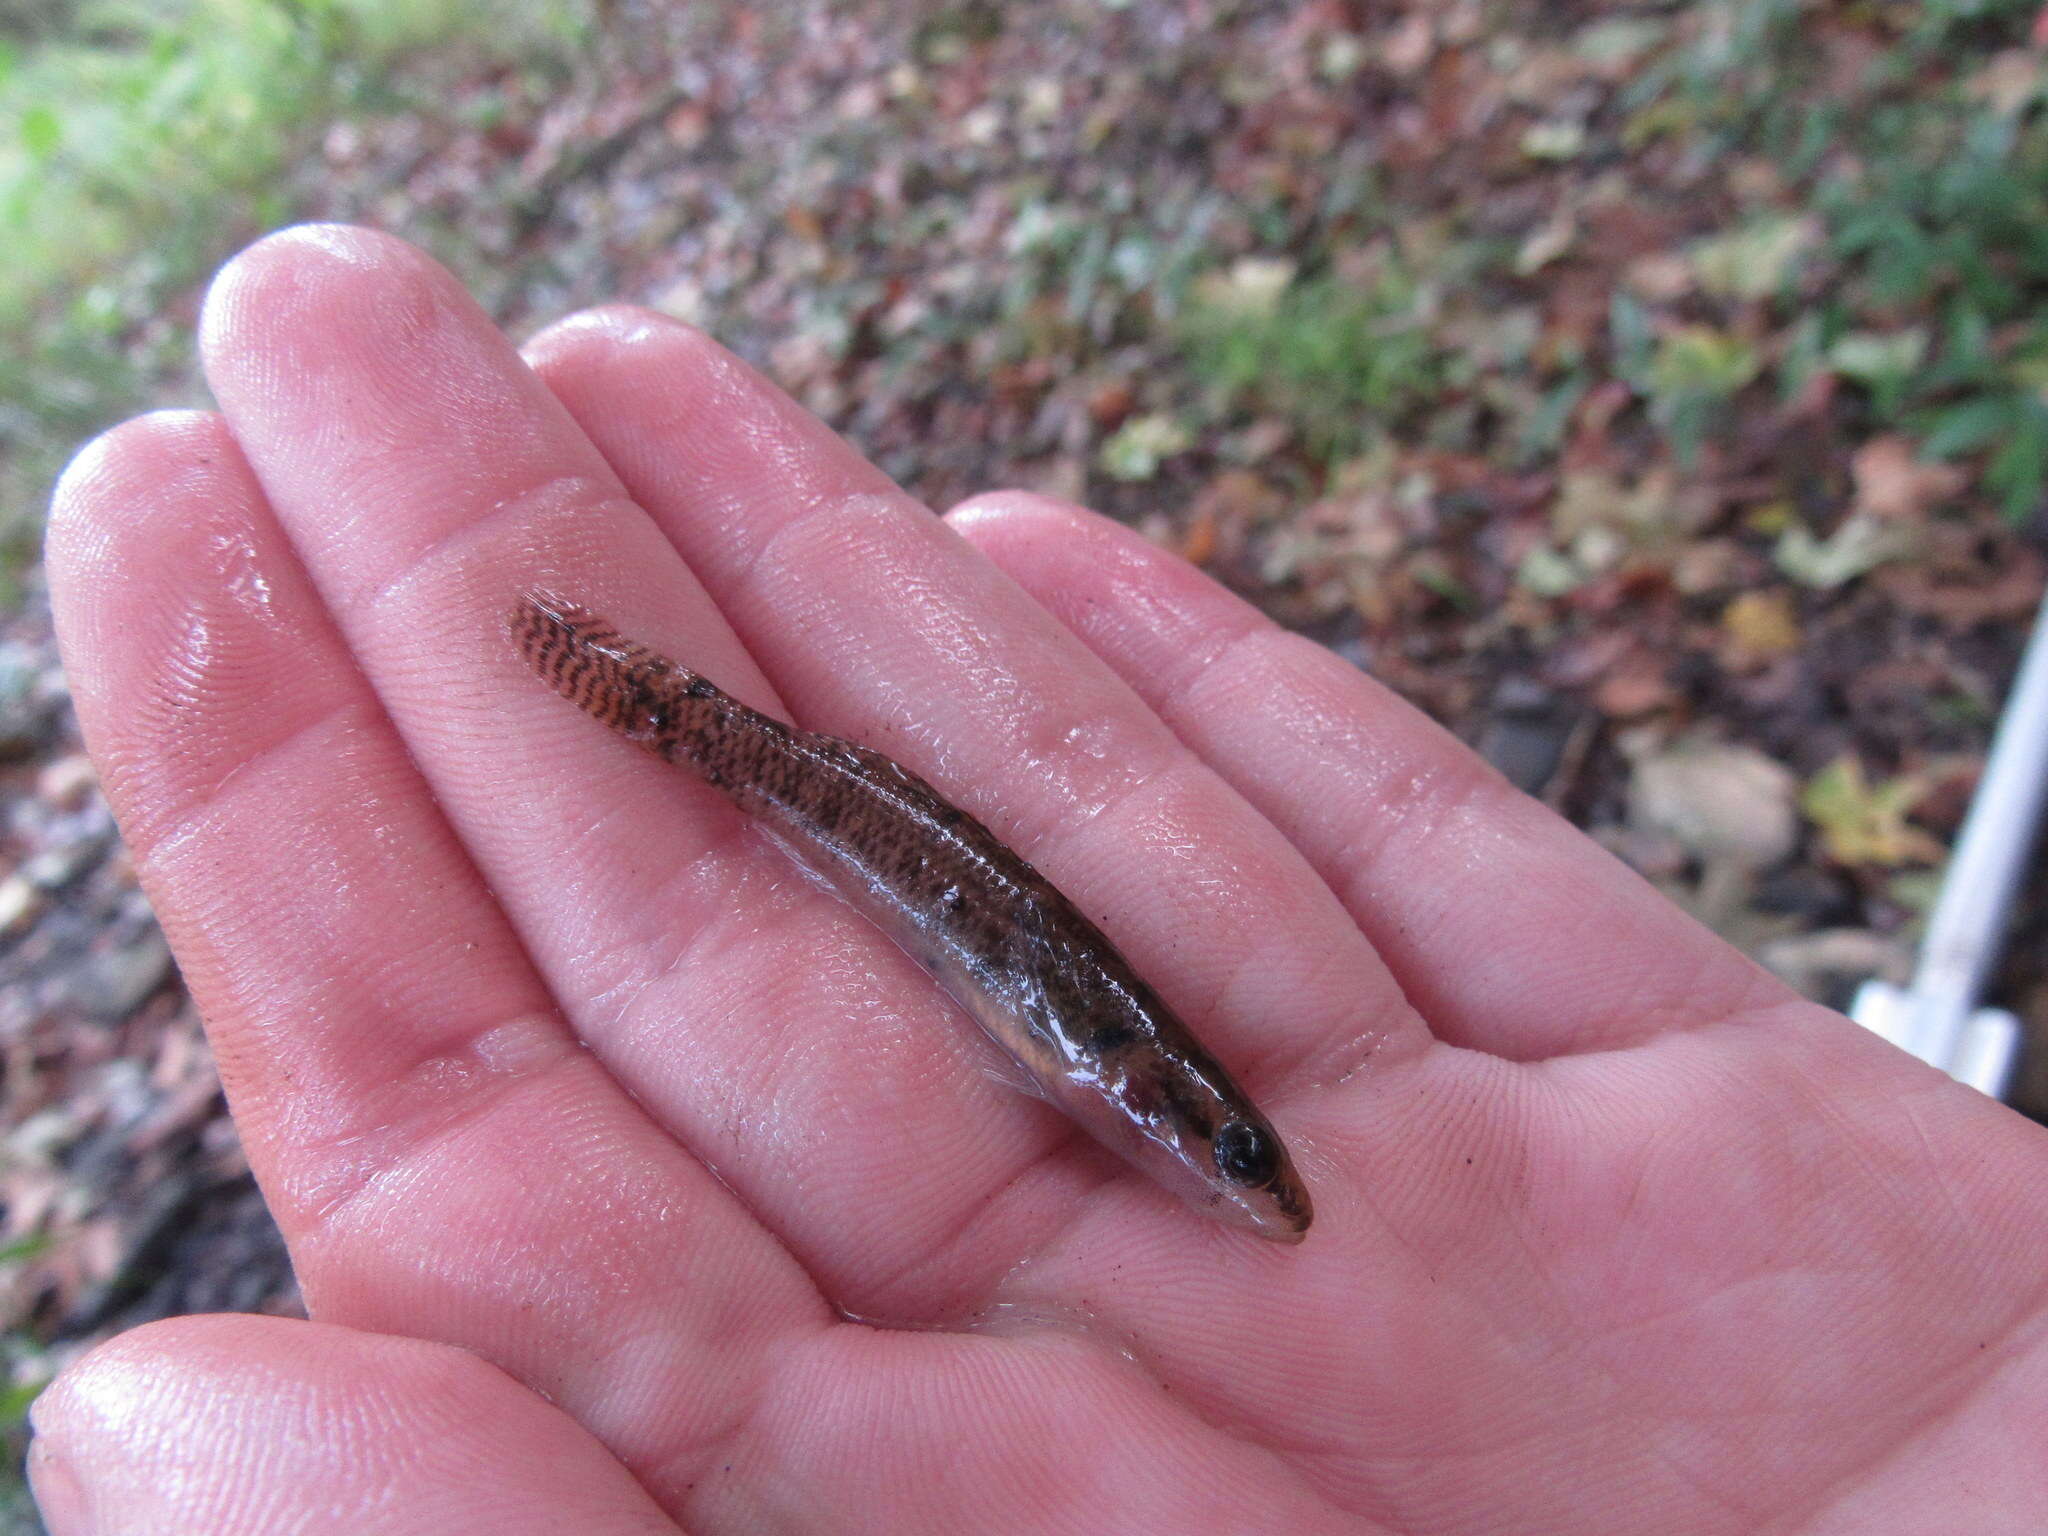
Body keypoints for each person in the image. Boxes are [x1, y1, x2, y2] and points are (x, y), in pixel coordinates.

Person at [27, 226, 2048, 1535]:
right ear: (1174, 1120)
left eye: (1242, 1173)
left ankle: (597, 677)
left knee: (762, 765)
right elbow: (1056, 1029)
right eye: (1235, 1166)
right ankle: (592, 677)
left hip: (918, 858)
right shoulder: (1119, 1074)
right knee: (740, 757)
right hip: (861, 815)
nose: (1246, 1196)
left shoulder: (1136, 1093)